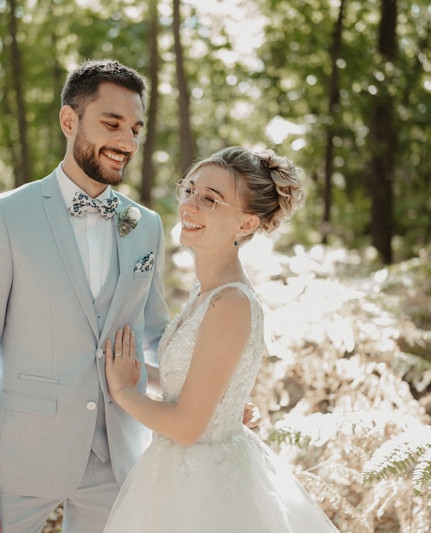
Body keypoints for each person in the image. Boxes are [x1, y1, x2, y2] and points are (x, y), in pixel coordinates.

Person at [0, 59, 171, 533]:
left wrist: (205, 391)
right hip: (20, 457)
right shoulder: (3, 217)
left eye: (135, 128)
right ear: (69, 121)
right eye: (111, 124)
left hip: (117, 457)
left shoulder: (146, 226)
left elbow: (156, 333)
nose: (127, 143)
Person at [102, 146, 341, 532]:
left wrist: (125, 392)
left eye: (210, 200)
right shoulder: (205, 293)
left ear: (246, 225)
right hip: (175, 475)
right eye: (191, 190)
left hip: (205, 486)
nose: (190, 206)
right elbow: (192, 384)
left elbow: (186, 427)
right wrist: (122, 366)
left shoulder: (230, 303)